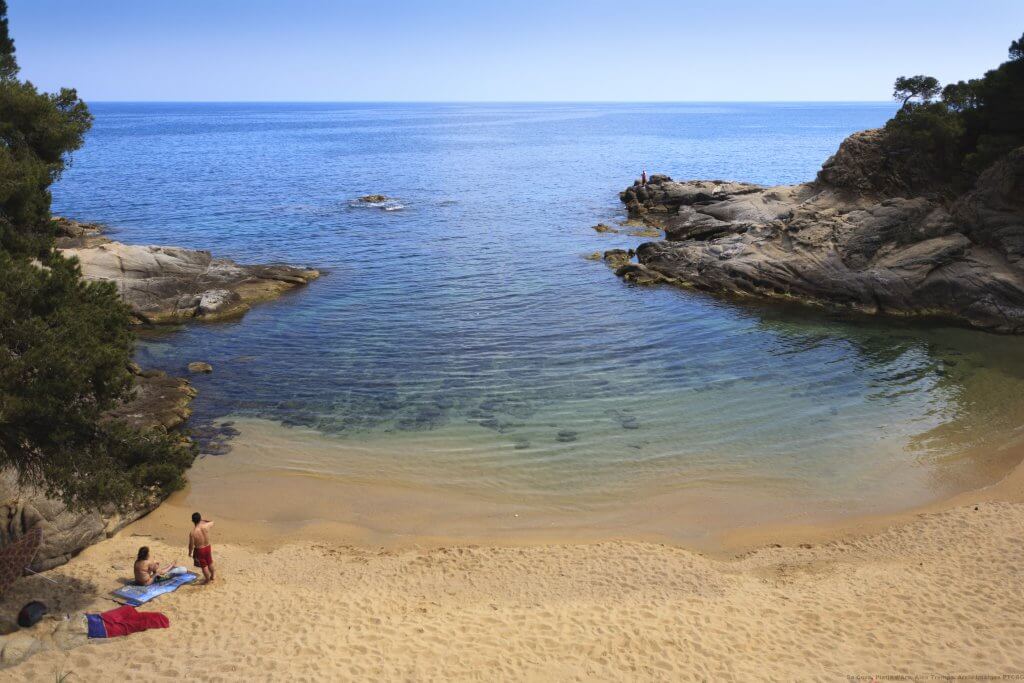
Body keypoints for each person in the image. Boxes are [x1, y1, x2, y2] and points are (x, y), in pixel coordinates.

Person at [188, 512, 216, 583]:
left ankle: (207, 579)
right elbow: (212, 522)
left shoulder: (192, 532)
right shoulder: (205, 526)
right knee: (210, 562)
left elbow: (191, 545)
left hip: (200, 550)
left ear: (192, 521)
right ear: (200, 519)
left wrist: (190, 552)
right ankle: (213, 575)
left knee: (204, 566)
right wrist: (203, 520)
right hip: (208, 547)